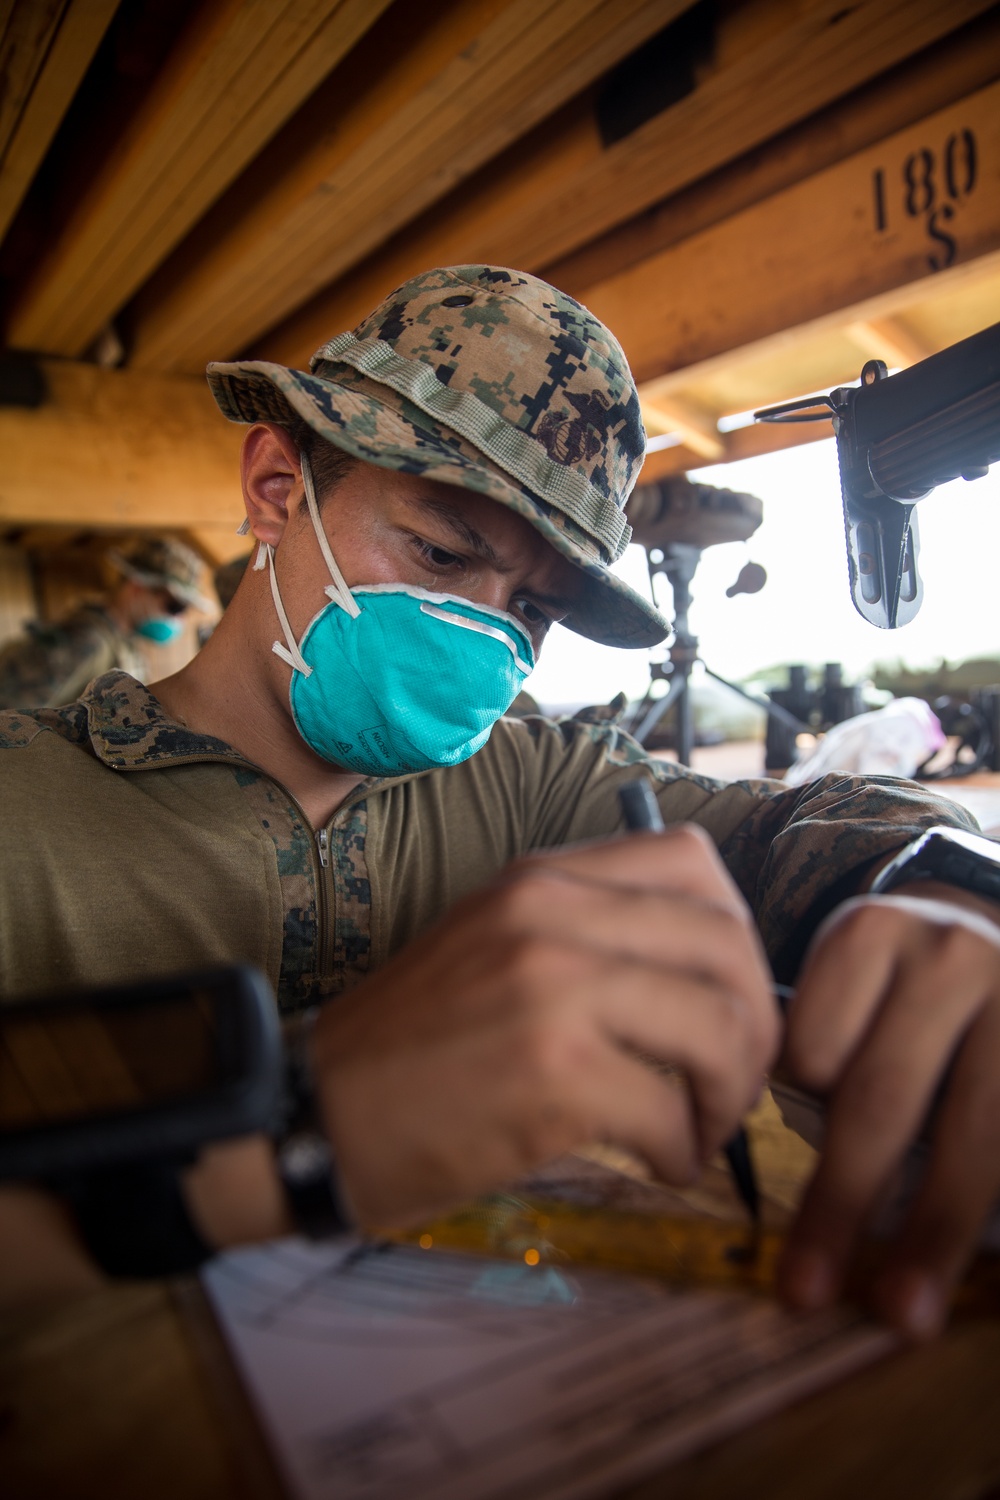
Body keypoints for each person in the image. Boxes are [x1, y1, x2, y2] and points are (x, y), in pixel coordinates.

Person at [2, 265, 1000, 1343]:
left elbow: (784, 833)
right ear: (278, 491)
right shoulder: (25, 802)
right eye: (439, 551)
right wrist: (305, 1128)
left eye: (531, 608)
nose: (487, 636)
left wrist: (937, 887)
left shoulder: (536, 786)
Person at [0, 536, 210, 709]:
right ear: (137, 588)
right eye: (175, 606)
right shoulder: (88, 641)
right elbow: (12, 720)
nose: (179, 620)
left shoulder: (122, 646)